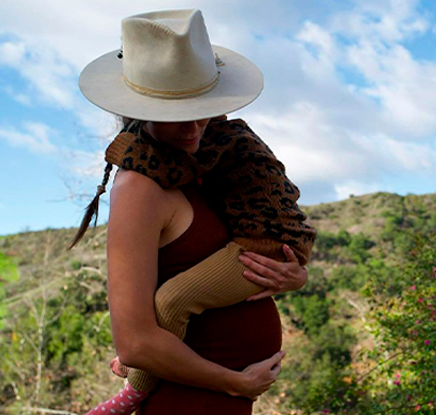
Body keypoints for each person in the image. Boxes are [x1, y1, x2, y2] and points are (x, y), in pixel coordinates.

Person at [70, 9, 314, 415]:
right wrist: (235, 382)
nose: (192, 128)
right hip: (186, 402)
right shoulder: (140, 186)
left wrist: (290, 272)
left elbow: (250, 239)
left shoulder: (212, 162)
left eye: (200, 109)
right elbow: (135, 343)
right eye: (175, 116)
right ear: (141, 109)